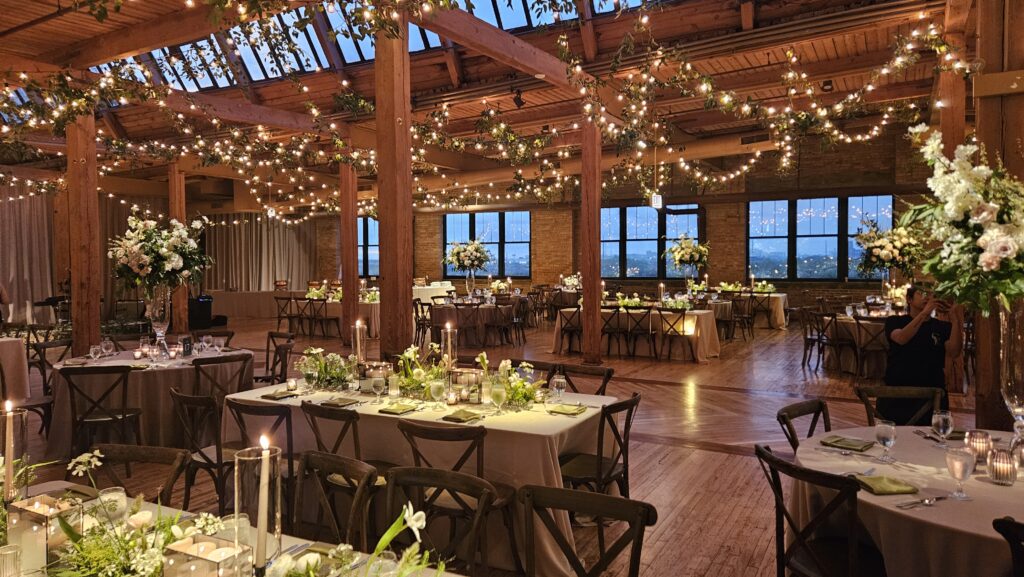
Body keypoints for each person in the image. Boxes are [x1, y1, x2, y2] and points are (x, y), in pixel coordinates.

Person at [881, 286, 963, 425]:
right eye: (922, 293)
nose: (927, 297)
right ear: (909, 299)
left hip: (933, 393)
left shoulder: (942, 326)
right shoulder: (895, 321)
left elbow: (954, 351)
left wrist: (955, 320)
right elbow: (901, 338)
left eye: (930, 295)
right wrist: (924, 313)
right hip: (899, 392)